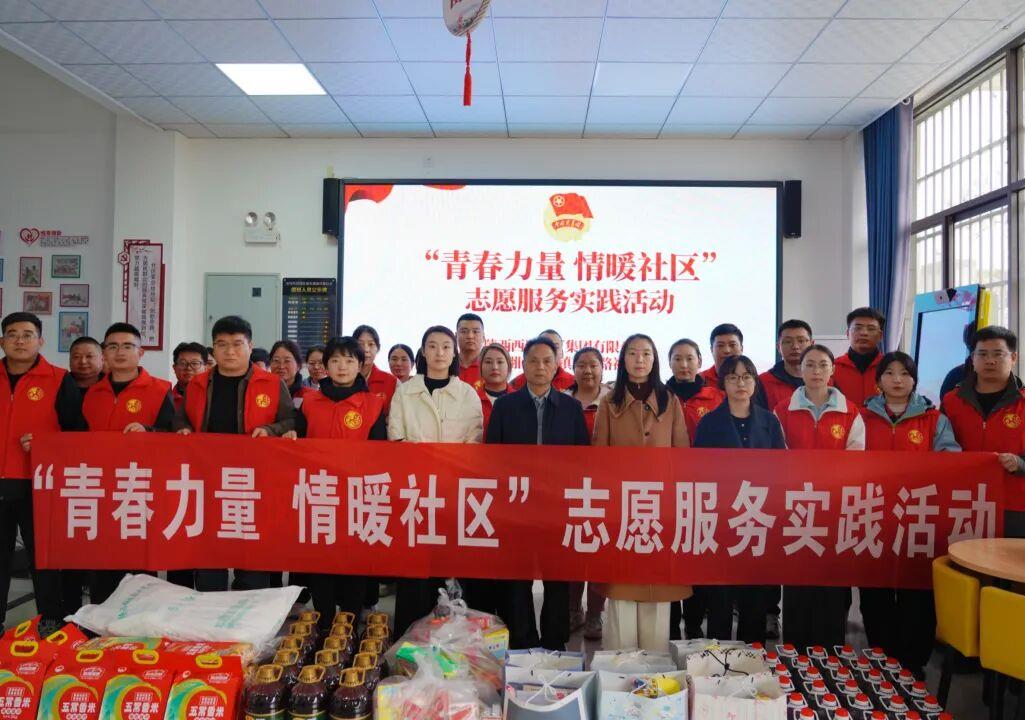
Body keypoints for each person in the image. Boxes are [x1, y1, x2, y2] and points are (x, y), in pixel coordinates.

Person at [471, 337, 590, 650]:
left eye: (547, 361)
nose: (540, 367)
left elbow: (583, 460)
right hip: (516, 505)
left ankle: (554, 642)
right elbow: (492, 459)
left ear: (556, 366)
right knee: (517, 579)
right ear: (522, 365)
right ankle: (522, 641)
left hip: (557, 506)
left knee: (557, 579)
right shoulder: (506, 407)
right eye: (533, 361)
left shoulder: (571, 409)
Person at [173, 315, 296, 591]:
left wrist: (271, 429)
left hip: (254, 483)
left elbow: (291, 420)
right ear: (213, 349)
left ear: (250, 346)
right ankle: (211, 610)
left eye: (237, 344)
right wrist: (182, 429)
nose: (230, 351)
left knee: (252, 555)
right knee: (209, 554)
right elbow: (181, 417)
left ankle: (248, 612)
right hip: (207, 481)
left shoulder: (272, 384)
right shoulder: (198, 383)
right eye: (222, 344)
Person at [861, 351, 959, 678]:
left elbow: (953, 463)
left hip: (919, 516)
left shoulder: (934, 419)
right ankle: (880, 658)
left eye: (904, 373)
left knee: (916, 591)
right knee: (875, 590)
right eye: (889, 373)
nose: (897, 380)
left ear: (914, 379)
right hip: (873, 516)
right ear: (879, 380)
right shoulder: (861, 417)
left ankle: (912, 663)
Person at [593, 334, 691, 651]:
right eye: (633, 353)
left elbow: (681, 454)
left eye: (646, 353)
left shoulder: (669, 400)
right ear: (623, 359)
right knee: (621, 588)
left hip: (660, 506)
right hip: (621, 507)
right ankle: (619, 665)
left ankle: (656, 663)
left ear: (654, 360)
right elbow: (599, 457)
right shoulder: (609, 402)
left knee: (658, 589)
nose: (639, 359)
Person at [388, 325, 483, 637]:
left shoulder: (467, 394)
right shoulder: (405, 392)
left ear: (454, 353)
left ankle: (453, 642)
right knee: (415, 570)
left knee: (451, 569)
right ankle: (408, 642)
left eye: (445, 346)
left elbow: (473, 446)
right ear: (423, 351)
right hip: (414, 492)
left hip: (452, 494)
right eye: (432, 346)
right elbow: (397, 440)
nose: (439, 352)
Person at [291, 336, 386, 631]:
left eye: (349, 360)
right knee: (320, 562)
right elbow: (295, 443)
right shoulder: (309, 402)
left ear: (360, 365)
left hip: (357, 498)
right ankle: (322, 625)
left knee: (353, 562)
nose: (342, 367)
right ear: (325, 366)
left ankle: (349, 628)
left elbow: (381, 454)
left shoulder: (373, 404)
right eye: (335, 360)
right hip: (319, 496)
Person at [774, 344, 865, 650]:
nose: (816, 371)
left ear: (832, 370)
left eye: (822, 365)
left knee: (832, 580)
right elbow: (780, 455)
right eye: (809, 365)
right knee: (798, 577)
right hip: (796, 507)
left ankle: (830, 651)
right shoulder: (783, 410)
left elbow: (856, 458)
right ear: (800, 370)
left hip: (835, 508)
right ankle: (796, 650)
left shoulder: (850, 411)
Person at [0, 312, 85, 634]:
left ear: (41, 341)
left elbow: (76, 432)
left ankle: (50, 617)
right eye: (12, 334)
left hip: (39, 482)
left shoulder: (59, 379)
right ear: (2, 341)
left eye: (27, 334)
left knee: (43, 556)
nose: (19, 341)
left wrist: (46, 443)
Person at [693, 355, 786, 644]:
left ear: (755, 382)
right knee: (720, 597)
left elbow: (781, 468)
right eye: (733, 377)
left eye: (746, 377)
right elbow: (699, 472)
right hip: (721, 519)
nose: (740, 383)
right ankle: (717, 657)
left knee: (754, 597)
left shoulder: (769, 422)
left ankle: (751, 656)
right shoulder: (709, 423)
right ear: (723, 384)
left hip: (757, 517)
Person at [83, 323, 175, 603]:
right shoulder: (92, 393)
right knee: (102, 559)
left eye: (127, 346)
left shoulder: (160, 389)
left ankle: (139, 617)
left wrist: (149, 431)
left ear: (140, 352)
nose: (120, 352)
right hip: (99, 488)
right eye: (112, 346)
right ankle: (100, 617)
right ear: (104, 353)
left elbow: (174, 436)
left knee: (139, 562)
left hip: (141, 488)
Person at [942, 325, 1025, 538]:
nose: (990, 361)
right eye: (982, 354)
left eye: (998, 354)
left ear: (1013, 358)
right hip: (962, 501)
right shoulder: (951, 401)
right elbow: (938, 449)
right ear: (972, 359)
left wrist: (1020, 463)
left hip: (1015, 505)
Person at [565, 346, 609, 641]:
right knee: (571, 552)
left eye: (593, 364)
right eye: (581, 365)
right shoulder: (562, 400)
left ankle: (594, 613)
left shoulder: (613, 401)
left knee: (598, 554)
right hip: (568, 487)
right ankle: (573, 611)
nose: (588, 370)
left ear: (603, 368)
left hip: (604, 487)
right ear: (573, 369)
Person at [666, 338, 725, 440]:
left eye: (689, 359)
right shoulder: (660, 398)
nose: (684, 365)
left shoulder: (718, 397)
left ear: (699, 362)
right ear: (670, 363)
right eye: (677, 359)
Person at [833, 307, 885, 406]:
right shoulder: (832, 368)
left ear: (880, 336)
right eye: (857, 328)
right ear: (847, 334)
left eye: (871, 329)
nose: (864, 333)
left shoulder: (889, 367)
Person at [758, 319, 813, 410]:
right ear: (778, 347)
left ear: (812, 344)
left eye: (801, 341)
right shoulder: (763, 381)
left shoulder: (825, 380)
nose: (795, 346)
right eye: (788, 341)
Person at [510, 329, 575, 391]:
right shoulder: (516, 383)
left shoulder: (574, 383)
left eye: (555, 347)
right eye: (545, 346)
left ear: (562, 353)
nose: (550, 350)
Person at [354, 325, 397, 415]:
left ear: (378, 348)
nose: (366, 349)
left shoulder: (391, 382)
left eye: (371, 344)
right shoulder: (343, 378)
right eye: (360, 344)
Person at [477, 343, 512, 434]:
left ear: (508, 366)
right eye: (488, 362)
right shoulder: (472, 399)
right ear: (480, 367)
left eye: (500, 362)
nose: (494, 367)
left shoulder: (520, 400)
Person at [270, 340, 310, 407]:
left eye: (287, 361)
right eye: (276, 360)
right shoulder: (262, 393)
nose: (281, 366)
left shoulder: (308, 396)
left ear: (298, 366)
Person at [171, 342, 208, 412]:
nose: (188, 368)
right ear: (174, 368)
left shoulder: (214, 397)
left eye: (195, 363)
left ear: (206, 368)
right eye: (183, 363)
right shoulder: (165, 399)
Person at [456, 313, 485, 388]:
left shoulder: (489, 366)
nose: (470, 336)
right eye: (464, 331)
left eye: (475, 332)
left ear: (483, 337)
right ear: (456, 336)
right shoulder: (447, 364)